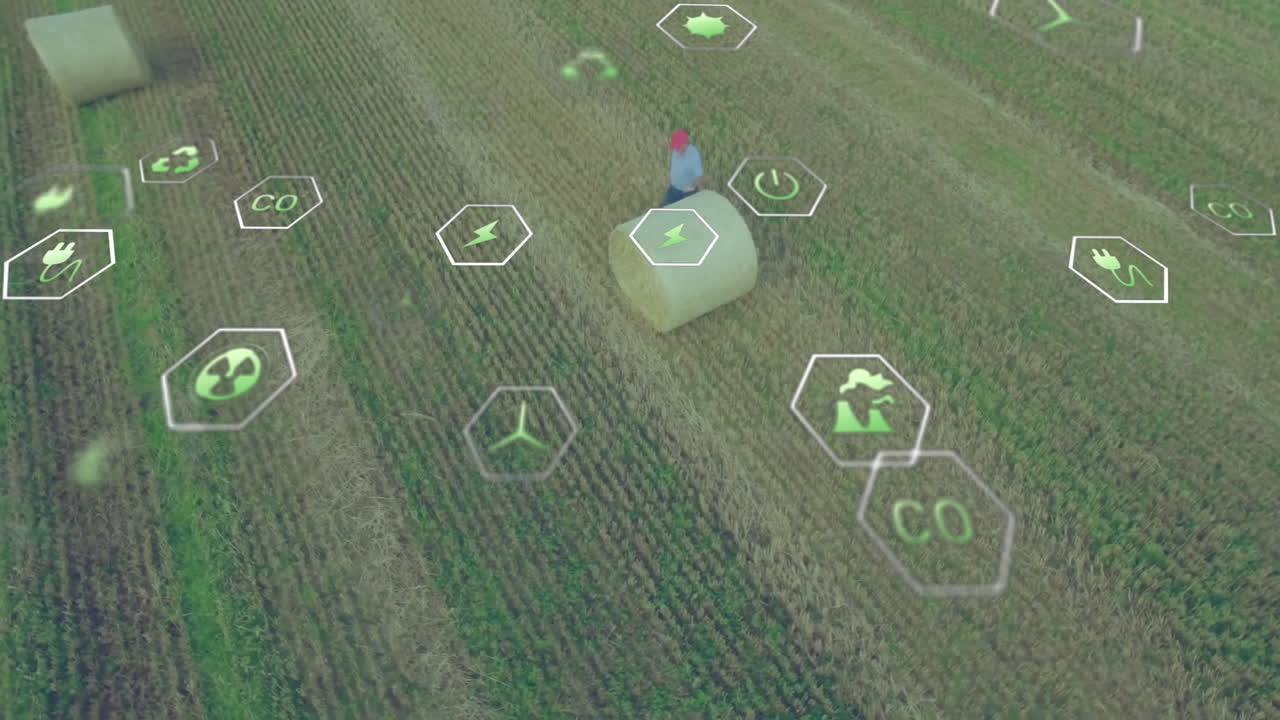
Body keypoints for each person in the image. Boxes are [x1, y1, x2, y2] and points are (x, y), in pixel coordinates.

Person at [662, 129, 708, 207]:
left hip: (686, 193)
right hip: (673, 188)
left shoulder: (694, 155)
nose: (675, 149)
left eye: (678, 146)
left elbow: (700, 177)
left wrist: (692, 187)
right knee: (663, 210)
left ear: (685, 143)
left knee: (684, 215)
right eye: (675, 146)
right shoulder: (676, 150)